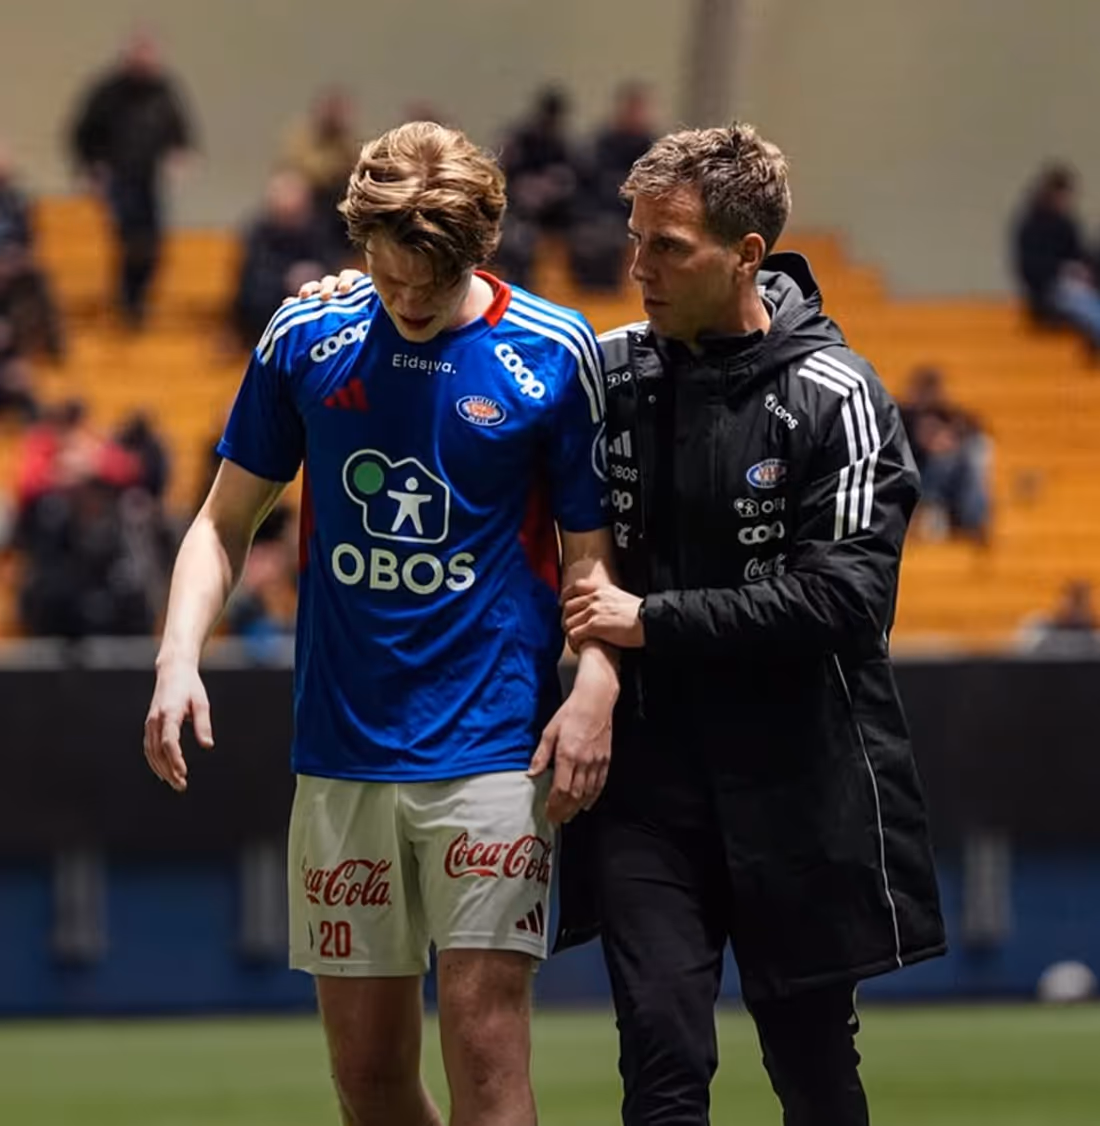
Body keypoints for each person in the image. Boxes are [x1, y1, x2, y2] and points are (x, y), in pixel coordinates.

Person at [295, 122, 947, 1126]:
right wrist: (349, 292)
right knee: (660, 1065)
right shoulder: (605, 371)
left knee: (813, 1068)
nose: (633, 264)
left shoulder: (837, 395)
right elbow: (467, 331)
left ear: (745, 256)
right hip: (646, 783)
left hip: (797, 782)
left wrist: (647, 620)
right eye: (632, 237)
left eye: (665, 247)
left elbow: (848, 600)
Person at [143, 121, 618, 1126]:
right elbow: (222, 524)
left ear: (477, 253)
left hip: (494, 751)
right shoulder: (304, 335)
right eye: (387, 277)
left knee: (488, 1064)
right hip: (340, 750)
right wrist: (179, 656)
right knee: (366, 1079)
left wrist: (594, 686)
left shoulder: (553, 350)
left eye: (426, 288)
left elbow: (592, 563)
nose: (403, 303)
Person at [70, 29, 193, 327]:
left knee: (152, 243)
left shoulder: (164, 90)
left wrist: (179, 154)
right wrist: (92, 168)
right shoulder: (107, 91)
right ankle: (126, 303)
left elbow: (180, 130)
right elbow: (82, 133)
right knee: (129, 241)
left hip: (149, 181)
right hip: (117, 179)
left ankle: (139, 301)